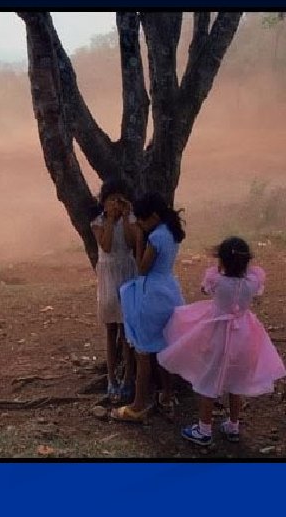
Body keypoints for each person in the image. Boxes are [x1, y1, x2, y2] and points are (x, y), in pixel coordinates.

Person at [157, 236, 286, 446]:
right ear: (247, 262)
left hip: (217, 333)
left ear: (222, 261)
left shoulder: (216, 280)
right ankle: (233, 425)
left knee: (208, 380)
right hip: (244, 335)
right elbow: (255, 287)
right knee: (237, 382)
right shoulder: (252, 282)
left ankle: (204, 430)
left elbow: (205, 289)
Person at [111, 192, 186, 421]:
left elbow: (142, 268)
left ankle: (138, 405)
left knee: (143, 353)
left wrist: (140, 237)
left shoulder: (155, 237)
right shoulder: (171, 232)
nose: (141, 224)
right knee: (163, 347)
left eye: (143, 221)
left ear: (153, 216)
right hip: (169, 290)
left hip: (151, 294)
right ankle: (167, 395)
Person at [90, 179, 139, 402]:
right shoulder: (98, 222)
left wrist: (126, 217)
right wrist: (110, 218)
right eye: (111, 200)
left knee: (127, 330)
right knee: (111, 330)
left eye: (119, 200)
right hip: (109, 276)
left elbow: (130, 243)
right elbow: (106, 245)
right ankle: (111, 379)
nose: (115, 204)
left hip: (127, 273)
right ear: (104, 201)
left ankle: (129, 378)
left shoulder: (131, 219)